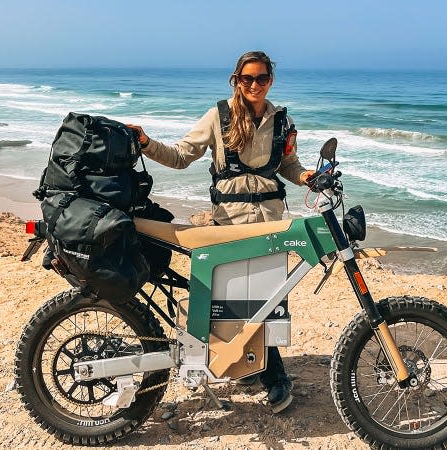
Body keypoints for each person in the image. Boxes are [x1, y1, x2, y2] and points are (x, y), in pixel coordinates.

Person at [127, 50, 313, 413]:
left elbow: (288, 165)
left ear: (270, 80)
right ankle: (272, 376)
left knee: (265, 300)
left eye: (261, 78)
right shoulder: (219, 117)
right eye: (247, 79)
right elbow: (182, 155)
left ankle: (255, 369)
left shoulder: (282, 122)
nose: (254, 85)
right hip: (229, 224)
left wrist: (307, 177)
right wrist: (147, 144)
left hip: (272, 223)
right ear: (236, 81)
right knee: (236, 301)